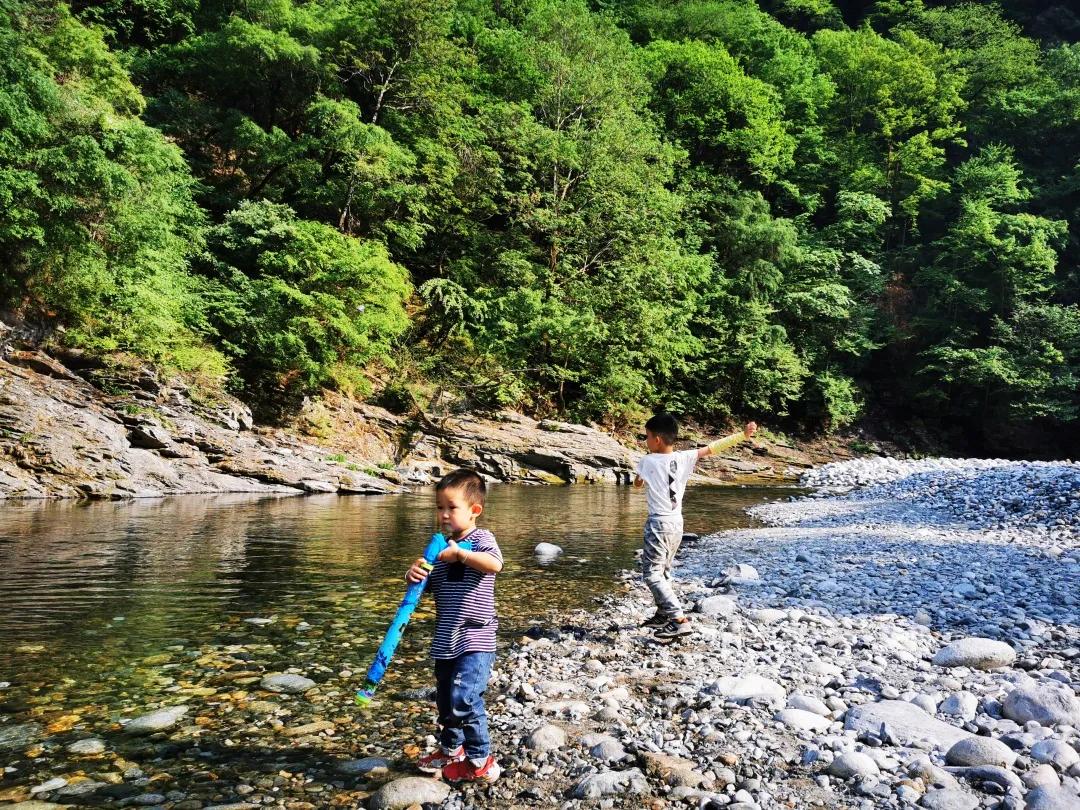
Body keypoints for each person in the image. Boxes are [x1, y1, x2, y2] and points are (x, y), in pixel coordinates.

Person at [407, 468, 503, 783]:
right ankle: (452, 750)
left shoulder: (480, 539)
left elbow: (495, 564)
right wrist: (415, 575)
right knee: (446, 699)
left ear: (474, 511)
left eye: (452, 507)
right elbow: (427, 587)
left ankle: (480, 761)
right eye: (440, 507)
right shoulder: (439, 548)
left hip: (476, 636)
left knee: (466, 698)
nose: (444, 514)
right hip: (446, 638)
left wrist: (460, 554)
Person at [634, 413, 757, 641]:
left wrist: (640, 479)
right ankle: (663, 614)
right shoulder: (684, 457)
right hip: (676, 523)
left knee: (651, 574)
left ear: (657, 440)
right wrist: (743, 435)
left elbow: (637, 484)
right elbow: (713, 448)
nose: (646, 441)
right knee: (665, 571)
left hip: (658, 523)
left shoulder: (647, 461)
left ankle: (679, 620)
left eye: (647, 436)